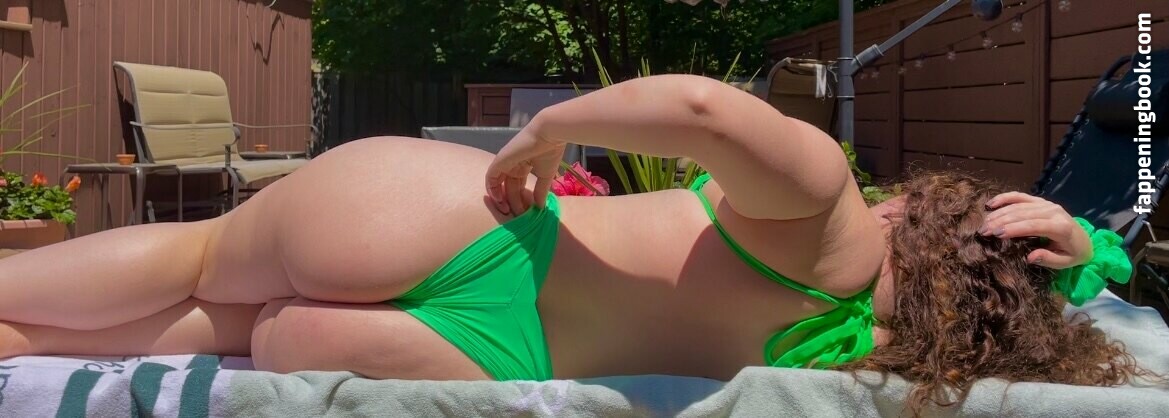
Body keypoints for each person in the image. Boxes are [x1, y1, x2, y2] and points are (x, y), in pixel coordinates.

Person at [0, 75, 1144, 411]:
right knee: (232, 320)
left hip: (485, 230)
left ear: (920, 212)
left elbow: (699, 110)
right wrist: (1090, 252)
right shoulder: (886, 353)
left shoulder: (828, 212)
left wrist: (550, 128)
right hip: (483, 349)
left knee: (202, 257)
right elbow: (1069, 287)